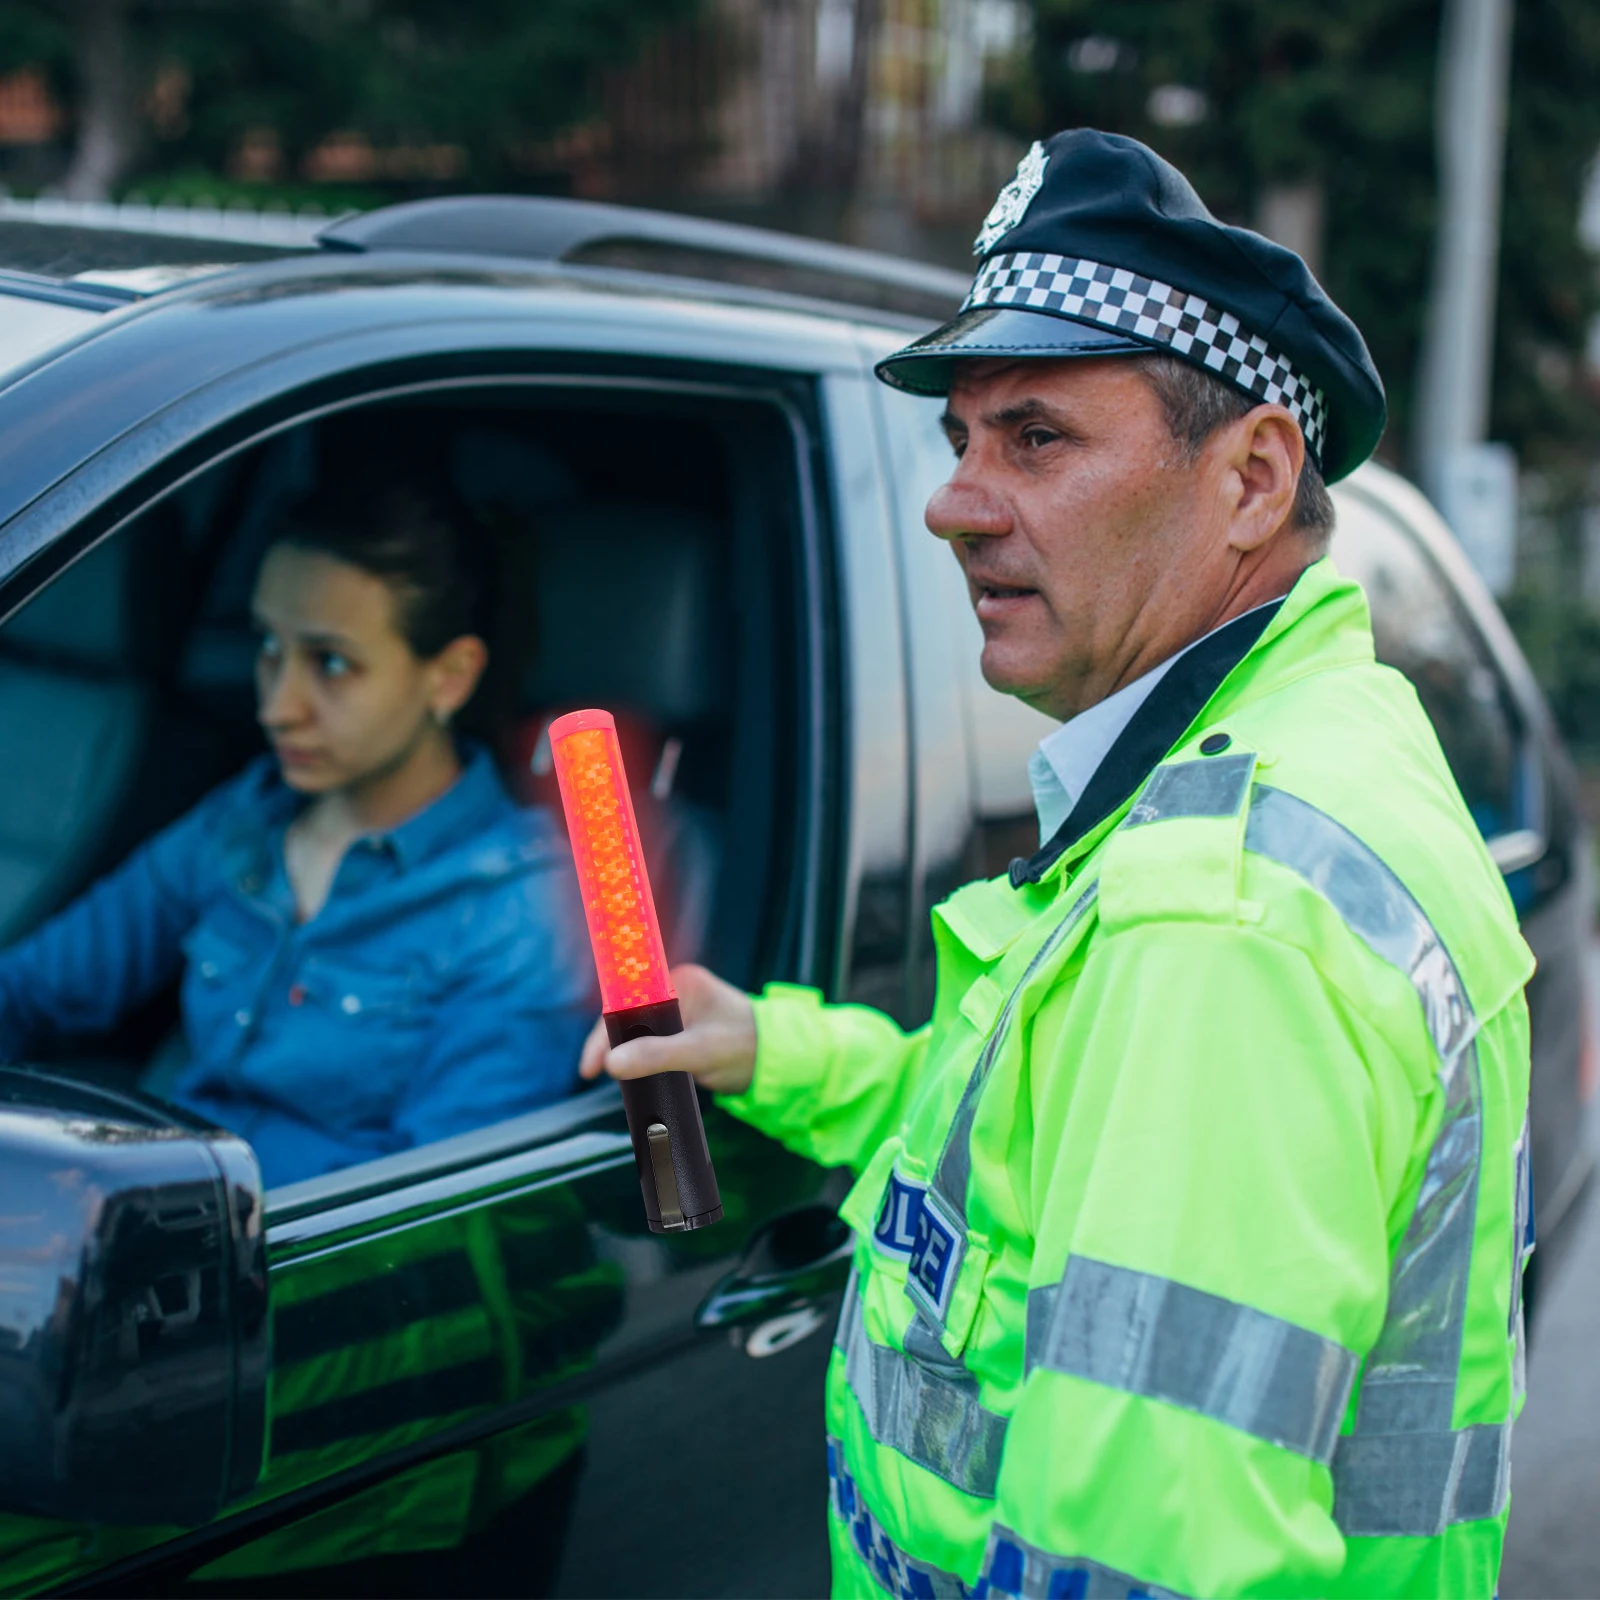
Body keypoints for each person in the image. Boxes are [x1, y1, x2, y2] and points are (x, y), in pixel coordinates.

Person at [581, 131, 1533, 1598]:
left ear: (1252, 480)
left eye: (1035, 439)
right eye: (959, 440)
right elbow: (1044, 1173)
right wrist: (780, 1050)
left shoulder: (1222, 915)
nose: (953, 502)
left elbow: (1139, 1563)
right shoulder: (1251, 777)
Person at [0, 464, 594, 1188]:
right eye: (269, 648)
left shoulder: (517, 912)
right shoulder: (245, 819)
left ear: (450, 677)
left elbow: (433, 1219)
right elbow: (30, 990)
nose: (278, 705)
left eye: (332, 663)